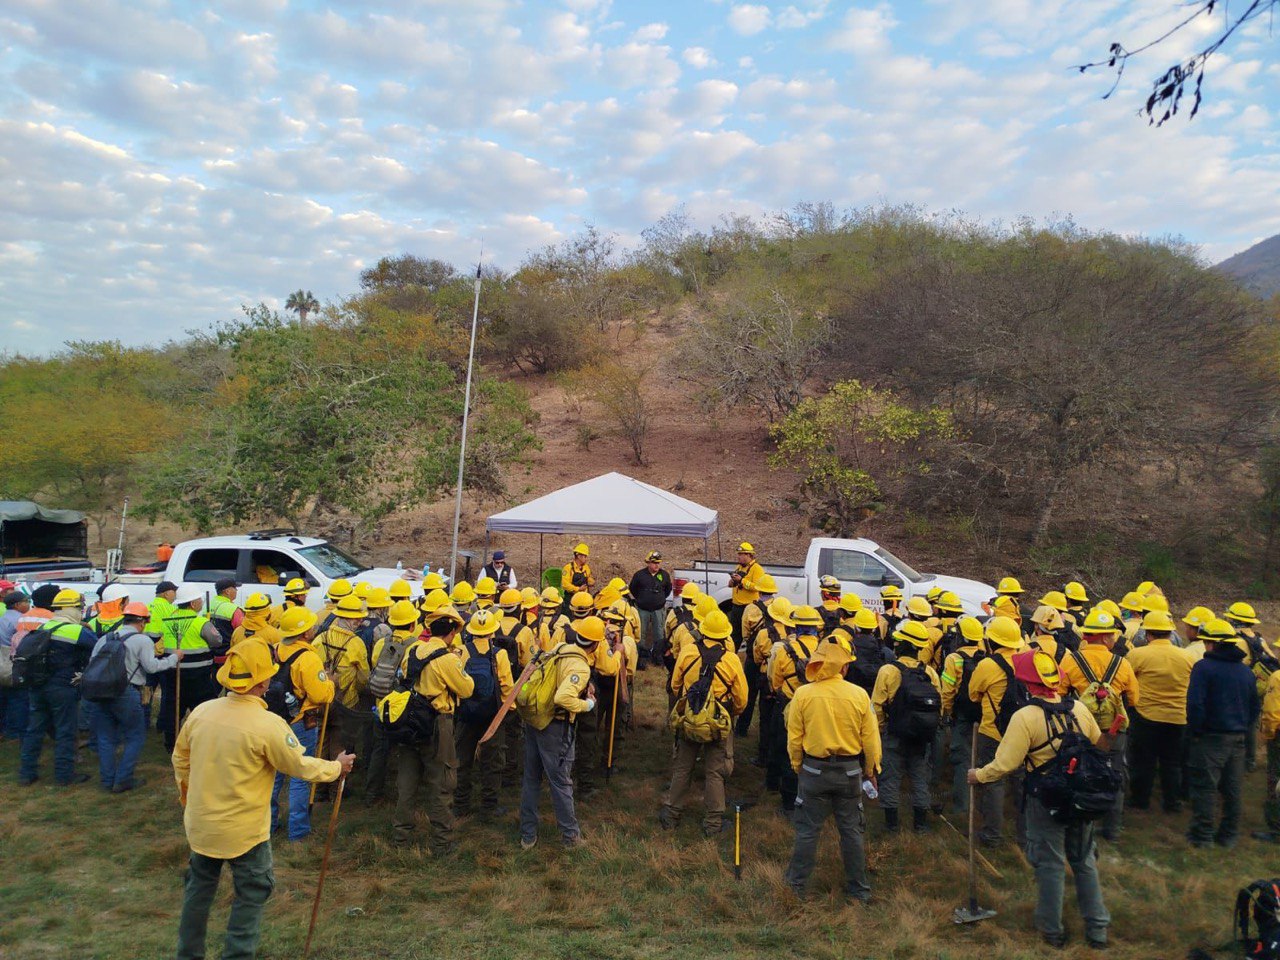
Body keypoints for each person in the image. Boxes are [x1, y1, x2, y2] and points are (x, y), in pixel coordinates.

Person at [172, 637, 355, 960]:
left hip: (201, 827)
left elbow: (180, 760)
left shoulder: (201, 713)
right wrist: (335, 768)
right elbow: (299, 766)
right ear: (263, 682)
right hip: (246, 834)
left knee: (197, 893)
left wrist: (190, 799)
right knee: (251, 895)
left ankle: (188, 954)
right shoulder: (268, 725)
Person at [968, 650, 1110, 950]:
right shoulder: (1079, 708)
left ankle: (1051, 932)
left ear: (1026, 682)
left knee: (1051, 865)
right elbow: (1099, 743)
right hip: (1081, 797)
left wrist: (978, 776)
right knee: (1085, 862)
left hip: (1045, 799)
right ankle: (1098, 930)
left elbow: (1005, 764)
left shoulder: (1025, 717)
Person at [784, 640, 881, 903]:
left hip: (813, 770)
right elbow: (871, 739)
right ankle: (859, 891)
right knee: (851, 831)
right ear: (844, 667)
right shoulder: (859, 695)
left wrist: (797, 766)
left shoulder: (803, 694)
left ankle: (795, 887)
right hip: (850, 773)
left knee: (807, 831)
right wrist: (871, 770)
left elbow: (794, 738)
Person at [659, 609, 748, 835]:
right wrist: (729, 715)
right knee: (715, 772)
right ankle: (713, 824)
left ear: (703, 631)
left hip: (690, 717)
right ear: (725, 635)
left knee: (683, 767)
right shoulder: (731, 659)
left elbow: (675, 686)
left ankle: (671, 815)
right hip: (717, 722)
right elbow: (742, 699)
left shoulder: (688, 651)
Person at [394, 611, 474, 854]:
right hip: (438, 723)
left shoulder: (413, 650)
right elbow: (467, 689)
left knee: (407, 781)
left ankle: (401, 838)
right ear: (451, 633)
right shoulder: (448, 659)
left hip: (409, 720)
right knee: (442, 781)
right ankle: (442, 841)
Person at [1058, 608, 1139, 840]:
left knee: (1077, 773)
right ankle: (1112, 829)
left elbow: (1059, 692)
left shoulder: (1070, 660)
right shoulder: (1122, 664)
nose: (1115, 638)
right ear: (1104, 637)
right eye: (1112, 634)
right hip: (1112, 731)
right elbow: (1134, 699)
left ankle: (1078, 824)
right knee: (1114, 775)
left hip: (1080, 729)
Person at [519, 616, 599, 850]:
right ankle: (570, 837)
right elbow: (563, 697)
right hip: (555, 727)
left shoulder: (562, 647)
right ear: (595, 644)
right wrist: (587, 705)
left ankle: (527, 835)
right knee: (561, 782)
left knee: (531, 778)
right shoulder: (580, 666)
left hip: (536, 718)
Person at [1186, 618, 1260, 849]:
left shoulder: (1203, 668)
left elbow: (1195, 704)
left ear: (1214, 644)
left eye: (1206, 642)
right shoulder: (1246, 672)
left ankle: (1203, 836)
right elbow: (1254, 707)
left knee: (1206, 787)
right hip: (1238, 738)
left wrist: (1197, 730)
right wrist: (1242, 727)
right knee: (1232, 789)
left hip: (1210, 737)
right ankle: (1229, 835)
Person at [92, 601, 181, 792]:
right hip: (126, 691)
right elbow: (152, 667)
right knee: (135, 735)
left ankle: (107, 781)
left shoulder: (105, 638)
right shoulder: (142, 640)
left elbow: (93, 662)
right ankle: (123, 779)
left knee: (106, 738)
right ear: (142, 621)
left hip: (101, 691)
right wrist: (174, 658)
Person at [18, 589, 98, 786]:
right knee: (66, 731)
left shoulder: (44, 626)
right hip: (63, 688)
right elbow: (98, 648)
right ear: (73, 609)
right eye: (80, 607)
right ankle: (64, 775)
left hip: (37, 685)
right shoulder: (76, 631)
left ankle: (27, 773)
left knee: (34, 730)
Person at [269, 607, 335, 840]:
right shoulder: (308, 658)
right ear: (305, 633)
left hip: (275, 720)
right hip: (300, 722)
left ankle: (268, 824)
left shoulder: (275, 650)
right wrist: (330, 683)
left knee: (273, 774)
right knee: (300, 774)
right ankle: (298, 831)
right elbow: (320, 695)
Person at [872, 620, 941, 833]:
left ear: (902, 644)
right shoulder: (929, 673)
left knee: (890, 778)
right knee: (920, 778)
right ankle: (920, 825)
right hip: (921, 735)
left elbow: (877, 705)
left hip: (894, 733)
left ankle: (892, 826)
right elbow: (939, 704)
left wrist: (881, 730)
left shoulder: (888, 671)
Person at [1126, 609, 1194, 813]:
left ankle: (1140, 800)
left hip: (1146, 716)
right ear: (1170, 633)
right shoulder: (1188, 656)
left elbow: (1127, 681)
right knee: (1172, 763)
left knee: (1143, 761)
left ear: (1148, 634)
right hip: (1178, 717)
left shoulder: (1137, 654)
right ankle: (1172, 803)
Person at [967, 615, 1027, 846]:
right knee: (1022, 784)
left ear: (991, 641)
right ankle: (1025, 837)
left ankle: (992, 835)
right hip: (1023, 732)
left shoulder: (987, 665)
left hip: (993, 731)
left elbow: (973, 694)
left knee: (993, 781)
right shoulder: (1027, 660)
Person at [454, 609, 514, 819]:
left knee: (462, 760)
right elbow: (506, 686)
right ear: (492, 631)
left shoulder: (460, 651)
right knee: (492, 761)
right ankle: (489, 806)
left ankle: (460, 804)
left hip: (466, 714)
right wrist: (507, 711)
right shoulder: (500, 654)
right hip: (492, 716)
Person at [768, 604, 823, 816]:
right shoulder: (824, 649)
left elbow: (775, 680)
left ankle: (787, 802)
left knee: (784, 748)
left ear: (795, 626)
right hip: (815, 705)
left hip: (788, 702)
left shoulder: (784, 649)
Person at [158, 585, 225, 753]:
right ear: (193, 603)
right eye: (199, 600)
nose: (201, 602)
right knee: (205, 710)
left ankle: (171, 743)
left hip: (172, 672)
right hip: (198, 676)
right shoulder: (200, 622)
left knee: (174, 709)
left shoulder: (168, 620)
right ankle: (205, 741)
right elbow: (217, 641)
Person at [312, 595, 371, 781]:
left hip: (321, 701)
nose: (360, 622)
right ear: (349, 619)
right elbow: (364, 677)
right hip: (345, 703)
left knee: (321, 744)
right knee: (340, 746)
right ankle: (336, 787)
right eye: (357, 619)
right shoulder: (356, 643)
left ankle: (318, 786)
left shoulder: (320, 638)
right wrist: (357, 692)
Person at [939, 614, 985, 813]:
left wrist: (947, 712)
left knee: (961, 759)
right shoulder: (985, 658)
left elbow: (947, 691)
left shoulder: (953, 659)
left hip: (962, 716)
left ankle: (961, 807)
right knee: (982, 759)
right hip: (983, 716)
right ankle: (982, 805)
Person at [628, 551, 671, 667]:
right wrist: (642, 599)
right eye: (654, 563)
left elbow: (668, 589)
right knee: (640, 634)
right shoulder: (639, 575)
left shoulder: (665, 575)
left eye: (658, 563)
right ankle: (640, 659)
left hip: (658, 610)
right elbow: (633, 588)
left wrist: (659, 599)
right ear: (648, 563)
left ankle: (658, 658)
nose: (657, 565)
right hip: (643, 610)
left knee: (659, 634)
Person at [0, 590, 32, 740]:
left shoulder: (2, 618)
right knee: (19, 698)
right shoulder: (21, 621)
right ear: (18, 605)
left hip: (1, 662)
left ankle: (4, 729)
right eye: (26, 601)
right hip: (13, 662)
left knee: (3, 697)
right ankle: (16, 731)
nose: (29, 604)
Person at [1254, 668, 1280, 844]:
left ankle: (1276, 829)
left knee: (1275, 780)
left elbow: (1271, 711)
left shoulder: (1277, 677)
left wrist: (1268, 734)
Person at [727, 542, 764, 646]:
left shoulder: (757, 569)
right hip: (736, 607)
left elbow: (757, 587)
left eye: (741, 554)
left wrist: (742, 581)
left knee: (750, 636)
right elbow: (732, 585)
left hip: (748, 608)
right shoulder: (739, 567)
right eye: (738, 554)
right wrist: (732, 582)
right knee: (734, 635)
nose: (738, 557)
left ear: (749, 555)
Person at [208, 578, 243, 657]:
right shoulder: (233, 609)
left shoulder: (207, 606)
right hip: (228, 654)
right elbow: (241, 632)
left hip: (210, 654)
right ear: (227, 591)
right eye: (235, 588)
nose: (236, 591)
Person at [561, 544, 595, 608]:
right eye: (585, 557)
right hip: (571, 599)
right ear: (579, 556)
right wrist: (578, 589)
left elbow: (588, 577)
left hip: (583, 599)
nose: (586, 559)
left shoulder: (586, 567)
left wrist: (591, 581)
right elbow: (565, 584)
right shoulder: (568, 568)